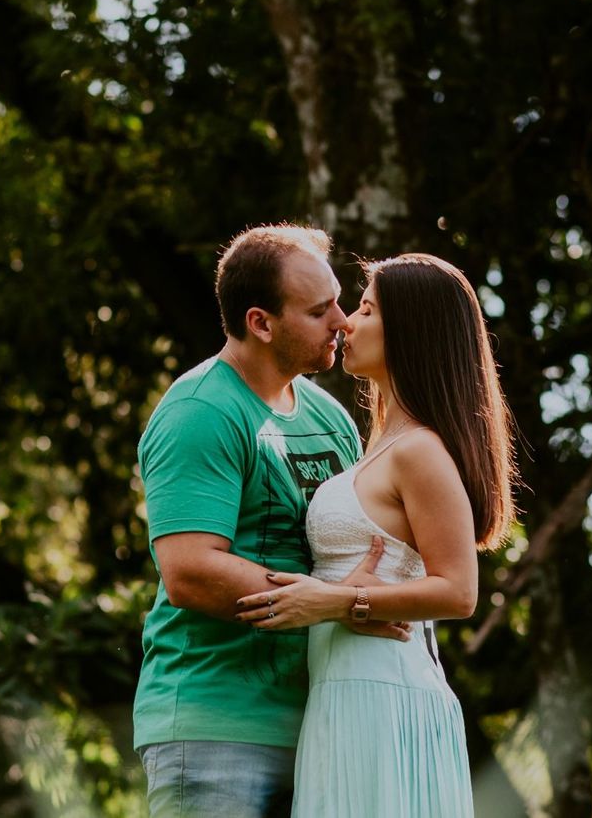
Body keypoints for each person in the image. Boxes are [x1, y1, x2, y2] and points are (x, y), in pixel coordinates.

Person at [133, 224, 410, 818]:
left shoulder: (329, 415)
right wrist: (336, 602)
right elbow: (189, 571)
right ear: (261, 322)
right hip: (216, 726)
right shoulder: (200, 411)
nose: (342, 320)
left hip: (320, 720)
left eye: (339, 301)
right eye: (318, 311)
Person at [234, 252, 518, 818]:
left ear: (408, 332)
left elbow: (459, 591)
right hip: (344, 694)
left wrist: (338, 602)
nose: (345, 323)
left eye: (364, 309)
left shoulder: (420, 452)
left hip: (383, 697)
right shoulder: (381, 445)